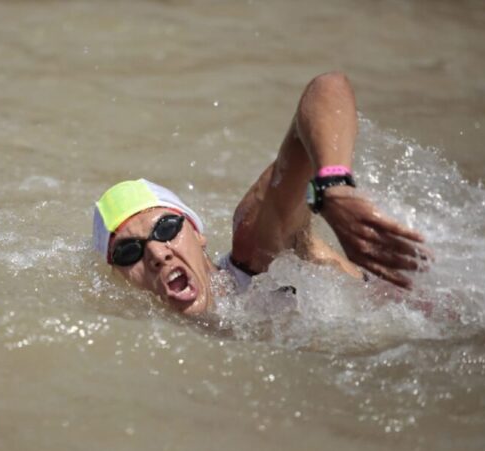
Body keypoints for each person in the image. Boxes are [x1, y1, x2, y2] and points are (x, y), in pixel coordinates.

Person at [92, 72, 429, 316]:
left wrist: (333, 186)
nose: (157, 253)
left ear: (197, 233)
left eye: (166, 228)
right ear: (118, 278)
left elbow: (327, 87)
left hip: (424, 314)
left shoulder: (253, 254)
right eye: (128, 252)